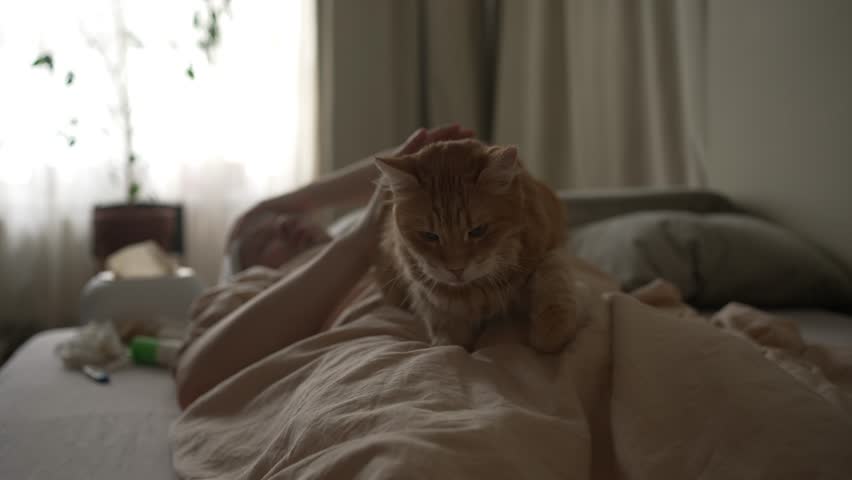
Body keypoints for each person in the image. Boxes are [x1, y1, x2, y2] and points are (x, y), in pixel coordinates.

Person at [175, 124, 475, 408]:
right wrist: (357, 245)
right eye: (263, 241)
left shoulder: (400, 246)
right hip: (383, 368)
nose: (284, 225)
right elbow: (194, 382)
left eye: (287, 218)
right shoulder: (251, 290)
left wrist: (278, 204)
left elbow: (434, 153)